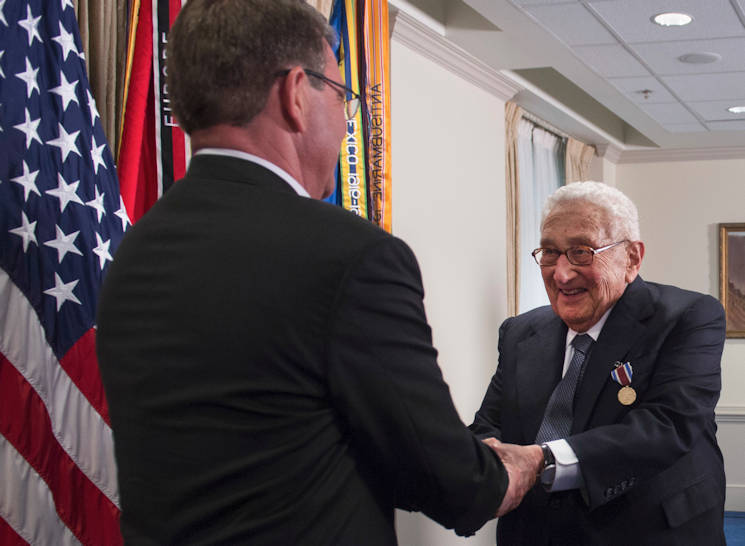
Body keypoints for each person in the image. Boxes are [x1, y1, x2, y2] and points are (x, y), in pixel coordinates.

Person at [96, 1, 538, 544]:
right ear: (297, 94)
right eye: (342, 95)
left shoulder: (134, 251)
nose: (346, 118)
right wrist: (518, 467)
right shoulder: (350, 257)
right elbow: (456, 485)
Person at [470, 181, 727, 545]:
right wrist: (470, 469)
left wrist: (542, 460)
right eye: (549, 252)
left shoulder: (688, 317)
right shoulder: (520, 332)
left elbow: (669, 425)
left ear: (632, 258)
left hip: (648, 530)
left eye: (581, 251)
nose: (560, 273)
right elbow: (490, 425)